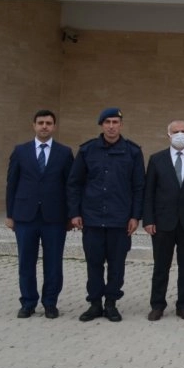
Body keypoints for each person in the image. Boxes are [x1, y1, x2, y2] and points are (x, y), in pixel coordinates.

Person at [67, 107, 145, 323]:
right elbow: (74, 184)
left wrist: (135, 216)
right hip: (92, 218)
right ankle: (94, 304)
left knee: (116, 265)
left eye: (115, 122)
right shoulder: (87, 150)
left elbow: (139, 187)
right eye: (107, 122)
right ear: (101, 125)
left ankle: (111, 303)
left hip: (120, 220)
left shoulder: (133, 152)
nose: (111, 126)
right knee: (93, 263)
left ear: (121, 125)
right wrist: (74, 213)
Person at [5, 110, 74, 319]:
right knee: (26, 262)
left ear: (54, 127)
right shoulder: (20, 151)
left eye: (49, 123)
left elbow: (70, 186)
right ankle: (28, 302)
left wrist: (71, 215)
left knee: (53, 263)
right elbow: (12, 183)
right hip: (25, 216)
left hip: (54, 217)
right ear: (33, 125)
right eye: (41, 122)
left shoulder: (64, 153)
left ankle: (50, 303)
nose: (44, 126)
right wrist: (10, 214)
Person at [142, 120, 184, 321]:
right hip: (163, 222)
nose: (179, 134)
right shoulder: (157, 159)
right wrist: (148, 219)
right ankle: (157, 305)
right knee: (160, 267)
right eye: (175, 131)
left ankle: (183, 305)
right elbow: (149, 192)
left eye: (183, 131)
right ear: (168, 135)